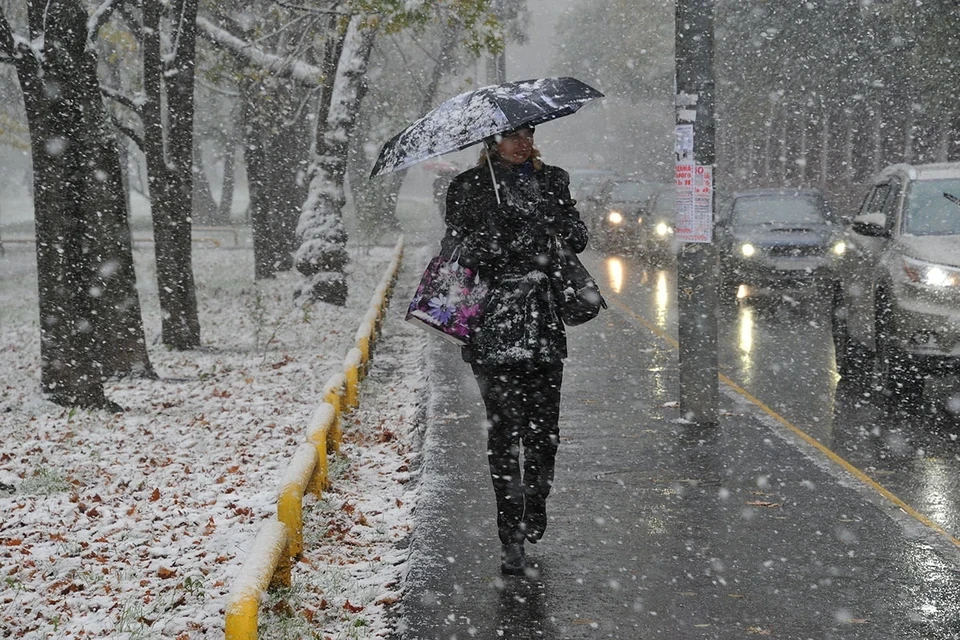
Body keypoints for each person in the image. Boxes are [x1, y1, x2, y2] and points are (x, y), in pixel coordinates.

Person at [441, 126, 588, 575]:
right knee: (504, 435)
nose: (521, 143)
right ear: (491, 143)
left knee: (544, 433)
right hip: (492, 326)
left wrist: (556, 224)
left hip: (542, 323)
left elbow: (578, 238)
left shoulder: (553, 180)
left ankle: (535, 500)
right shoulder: (467, 188)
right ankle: (511, 535)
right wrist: (494, 237)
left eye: (527, 134)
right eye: (511, 137)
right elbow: (455, 252)